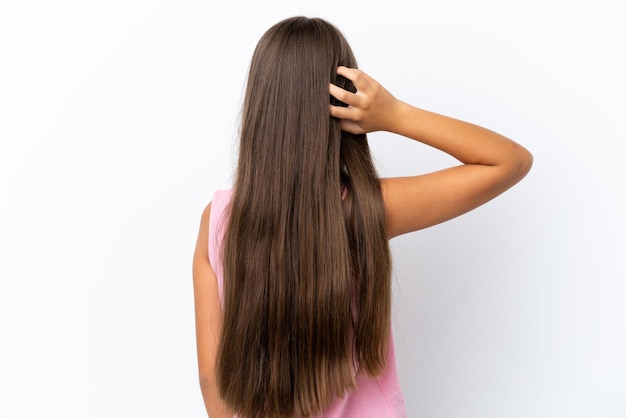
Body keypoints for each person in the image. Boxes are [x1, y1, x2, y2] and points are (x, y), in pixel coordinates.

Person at [192, 16, 532, 418]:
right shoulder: (366, 210)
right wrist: (396, 114)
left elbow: (211, 376)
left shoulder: (218, 221)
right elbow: (509, 161)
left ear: (261, 107)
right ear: (343, 104)